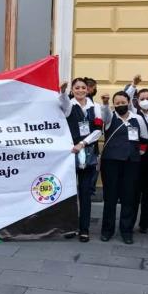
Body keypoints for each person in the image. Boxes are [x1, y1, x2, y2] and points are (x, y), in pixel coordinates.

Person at [98, 91, 148, 244]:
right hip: (111, 163)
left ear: (129, 102)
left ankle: (126, 231)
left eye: (123, 102)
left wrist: (136, 153)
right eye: (117, 103)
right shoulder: (109, 118)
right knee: (110, 198)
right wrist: (106, 103)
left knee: (129, 198)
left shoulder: (138, 118)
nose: (120, 105)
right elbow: (105, 113)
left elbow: (145, 139)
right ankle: (107, 230)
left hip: (131, 163)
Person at [59, 78, 103, 242]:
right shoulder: (70, 105)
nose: (80, 90)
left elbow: (98, 131)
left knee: (85, 193)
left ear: (88, 89)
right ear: (73, 90)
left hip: (88, 153)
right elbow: (63, 103)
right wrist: (63, 91)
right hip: (70, 154)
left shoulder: (95, 107)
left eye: (83, 87)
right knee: (70, 193)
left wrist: (83, 143)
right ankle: (70, 227)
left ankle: (84, 229)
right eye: (76, 88)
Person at [132, 87, 148, 234]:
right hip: (138, 156)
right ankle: (130, 222)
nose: (145, 101)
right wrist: (133, 85)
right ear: (137, 101)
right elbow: (125, 98)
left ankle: (144, 224)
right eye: (142, 99)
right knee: (135, 192)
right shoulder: (134, 114)